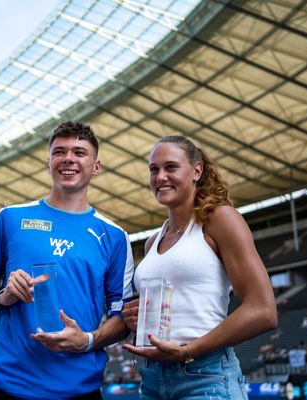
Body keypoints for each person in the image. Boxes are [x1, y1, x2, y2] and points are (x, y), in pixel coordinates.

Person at [0, 120, 135, 399]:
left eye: (79, 152)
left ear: (96, 166)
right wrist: (2, 296)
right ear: (48, 163)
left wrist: (86, 341)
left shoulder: (114, 236)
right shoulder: (10, 218)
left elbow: (122, 315)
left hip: (80, 389)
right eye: (59, 152)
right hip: (7, 387)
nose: (68, 158)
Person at [121, 135, 277, 399]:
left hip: (205, 376)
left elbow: (263, 311)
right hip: (152, 379)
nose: (160, 177)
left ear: (196, 170)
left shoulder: (220, 219)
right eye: (154, 169)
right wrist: (136, 318)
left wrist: (187, 351)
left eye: (171, 167)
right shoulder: (151, 243)